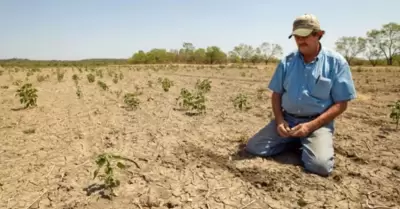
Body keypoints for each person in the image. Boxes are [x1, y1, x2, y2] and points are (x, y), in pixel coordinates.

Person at [244, 14, 357, 177]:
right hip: (287, 120)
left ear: (319, 34)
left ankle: (308, 142)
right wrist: (280, 120)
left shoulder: (336, 62)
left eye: (305, 35)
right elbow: (276, 95)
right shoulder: (287, 62)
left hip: (316, 123)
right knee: (254, 147)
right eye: (297, 36)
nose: (300, 40)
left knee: (320, 166)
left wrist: (310, 126)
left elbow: (341, 104)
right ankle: (294, 140)